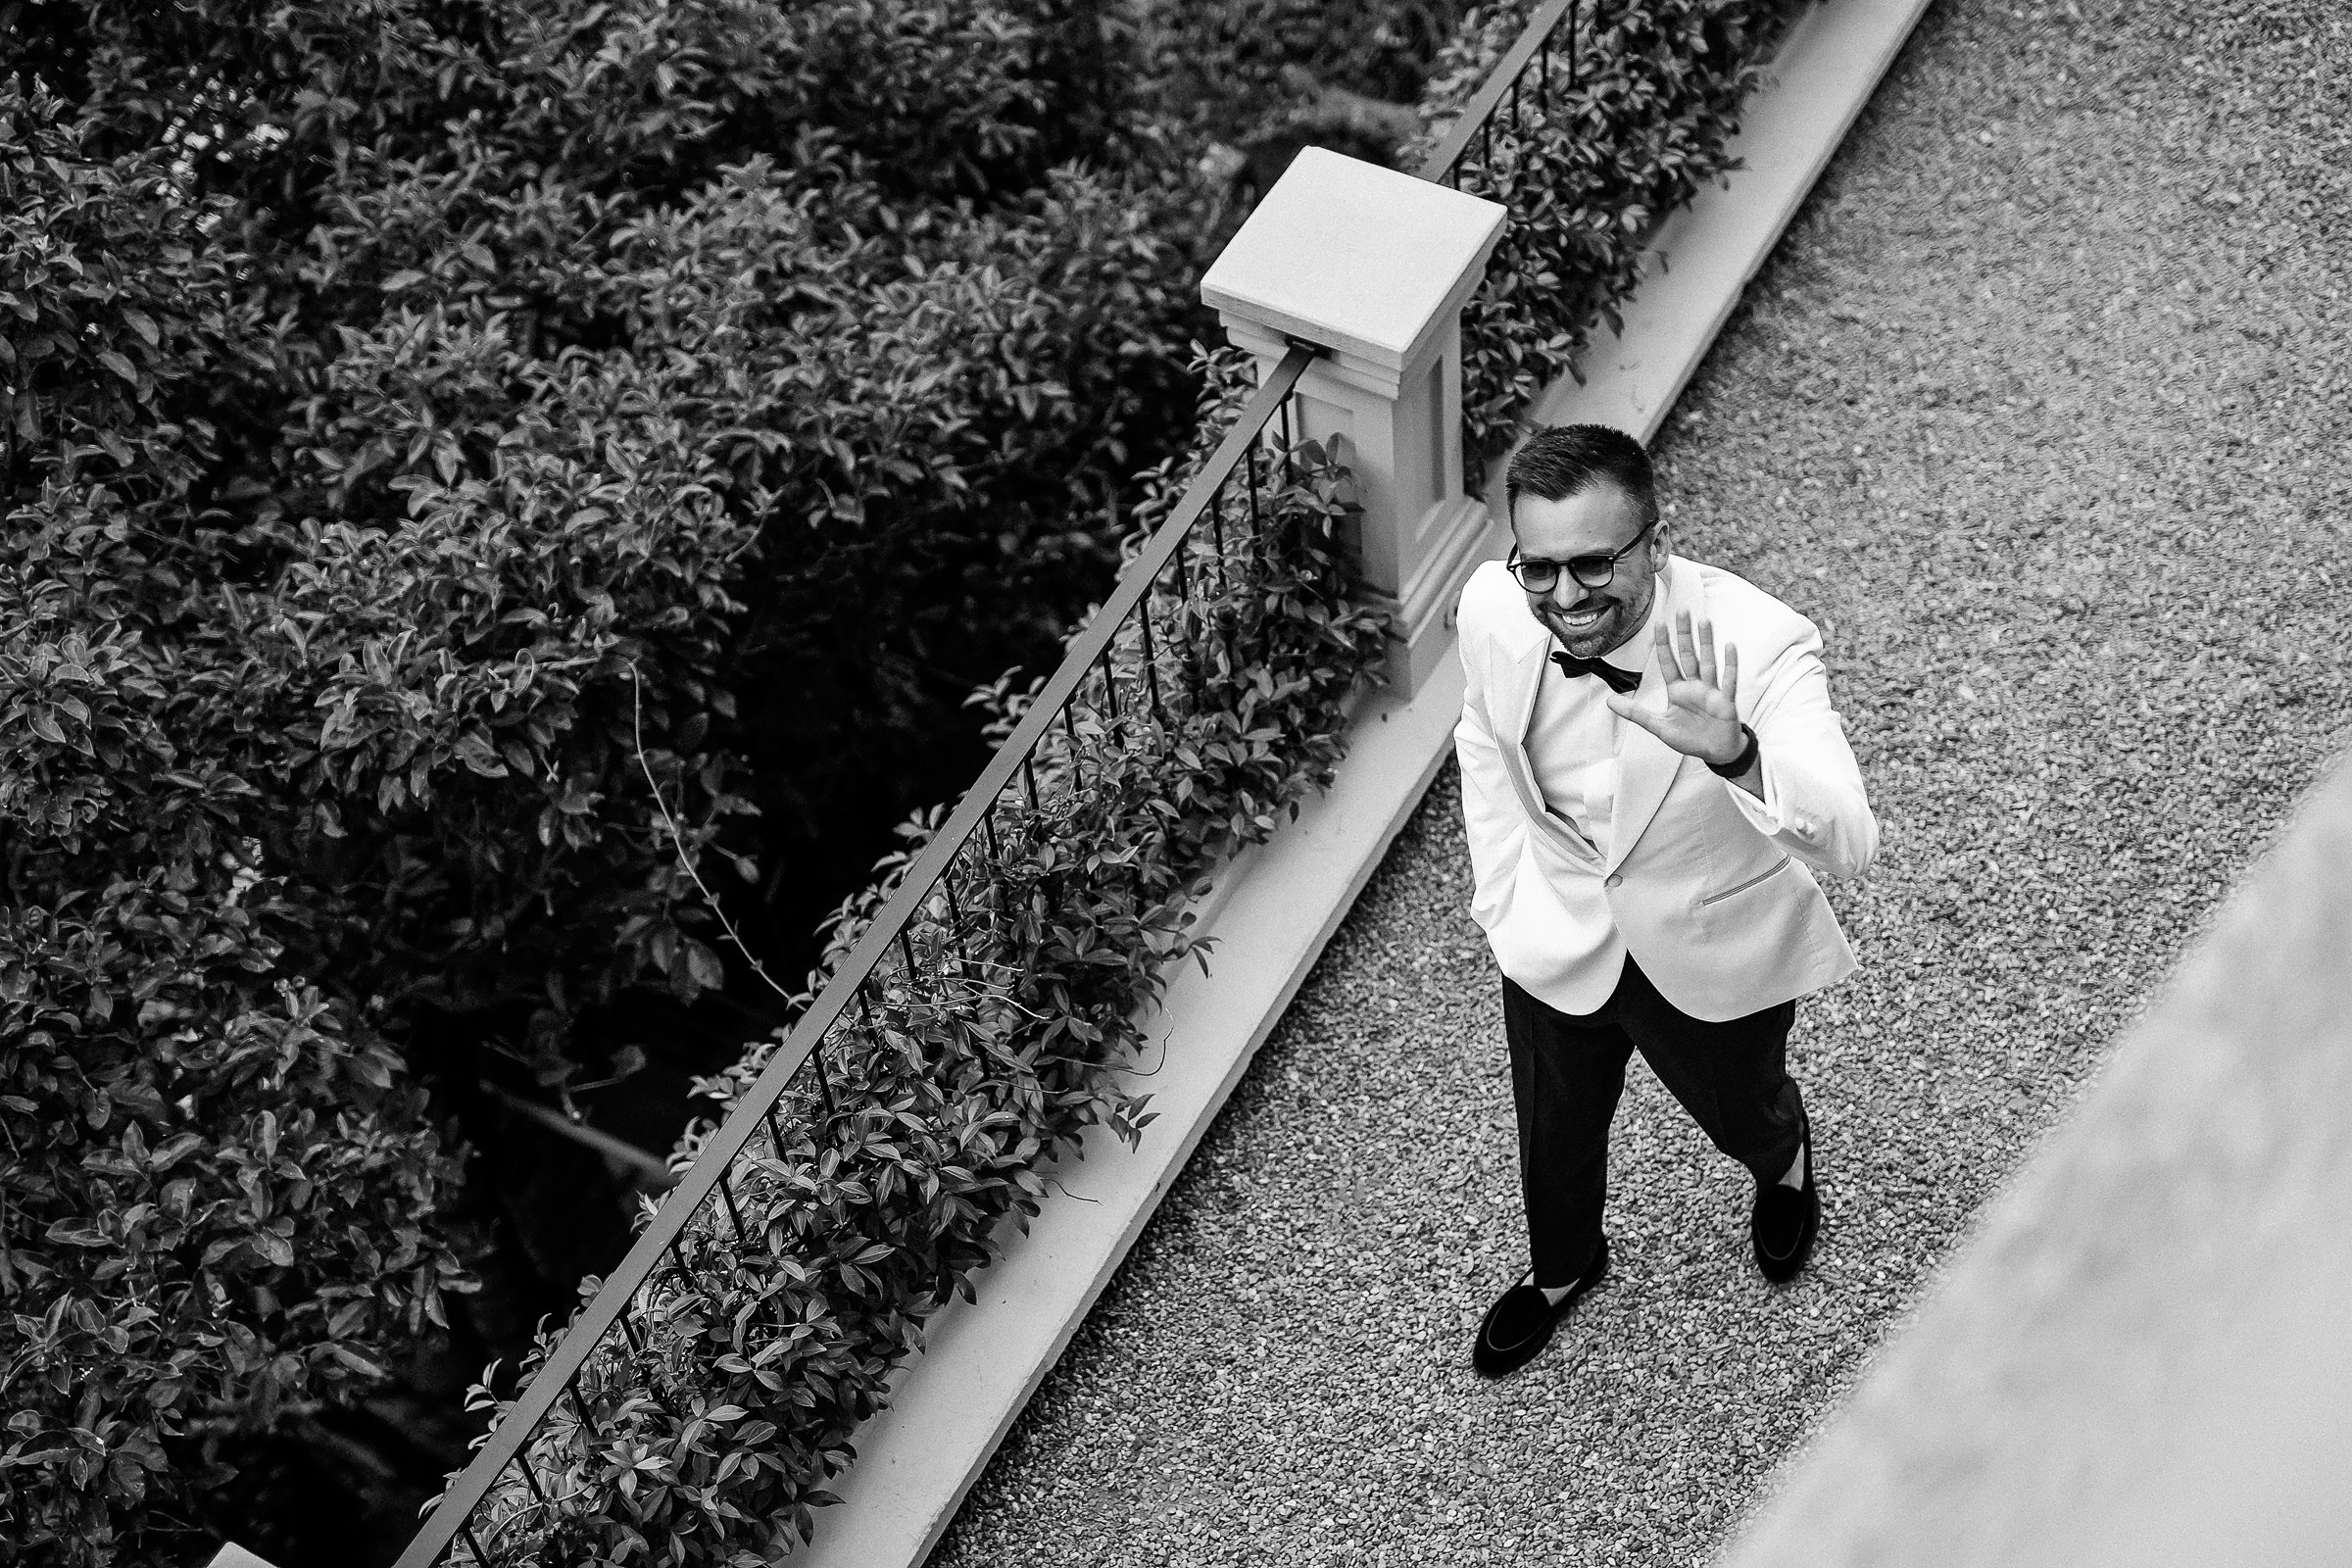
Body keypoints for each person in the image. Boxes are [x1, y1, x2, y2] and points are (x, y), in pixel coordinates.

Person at [1453, 423, 1878, 1378]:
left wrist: (1736, 754)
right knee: (1552, 1133)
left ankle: (1784, 1161)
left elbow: (1851, 840)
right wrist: (1501, 885)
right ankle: (1564, 1266)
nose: (1566, 597)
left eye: (1594, 564)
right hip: (1555, 931)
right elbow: (1480, 731)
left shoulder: (1759, 642)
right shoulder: (1491, 608)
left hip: (1708, 941)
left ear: (1657, 540)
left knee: (1741, 1108)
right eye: (1541, 567)